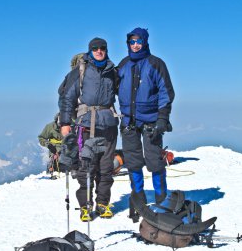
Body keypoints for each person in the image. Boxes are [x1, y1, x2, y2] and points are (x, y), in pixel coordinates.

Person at [117, 27, 175, 221]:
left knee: (154, 160)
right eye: (132, 42)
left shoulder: (156, 64)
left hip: (151, 121)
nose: (135, 45)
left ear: (145, 42)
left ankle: (161, 199)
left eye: (138, 41)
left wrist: (162, 118)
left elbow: (166, 93)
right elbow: (111, 89)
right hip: (129, 121)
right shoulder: (123, 65)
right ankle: (138, 198)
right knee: (133, 161)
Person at [58, 37, 118, 221]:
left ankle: (102, 203)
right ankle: (85, 206)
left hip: (108, 123)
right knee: (86, 166)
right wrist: (65, 123)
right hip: (86, 124)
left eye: (102, 48)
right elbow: (68, 97)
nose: (99, 51)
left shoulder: (112, 72)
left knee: (106, 166)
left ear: (106, 50)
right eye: (95, 48)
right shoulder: (81, 71)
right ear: (90, 51)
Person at [38, 113, 63, 178]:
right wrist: (49, 145)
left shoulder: (72, 125)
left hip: (67, 149)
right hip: (55, 149)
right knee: (54, 160)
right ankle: (52, 172)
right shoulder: (50, 127)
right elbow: (41, 138)